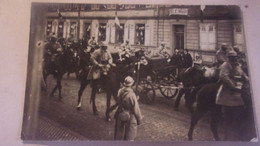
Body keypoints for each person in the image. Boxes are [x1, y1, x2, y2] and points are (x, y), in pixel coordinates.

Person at [216, 50, 248, 140]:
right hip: (227, 91)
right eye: (231, 58)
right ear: (228, 58)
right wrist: (233, 86)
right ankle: (226, 136)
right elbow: (224, 77)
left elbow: (242, 74)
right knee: (227, 116)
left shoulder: (237, 65)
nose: (233, 59)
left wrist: (247, 80)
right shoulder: (225, 65)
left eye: (234, 57)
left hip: (238, 90)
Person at [87, 42, 114, 114]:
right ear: (101, 47)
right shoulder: (97, 51)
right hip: (98, 66)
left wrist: (109, 62)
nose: (105, 48)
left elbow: (110, 58)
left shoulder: (107, 52)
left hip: (106, 66)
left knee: (111, 74)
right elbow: (92, 58)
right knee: (97, 76)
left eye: (106, 47)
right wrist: (98, 64)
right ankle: (97, 86)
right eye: (104, 47)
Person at [114, 76, 142, 140]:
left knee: (119, 132)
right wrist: (139, 119)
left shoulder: (120, 91)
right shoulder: (132, 95)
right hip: (130, 114)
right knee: (130, 134)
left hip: (121, 112)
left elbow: (119, 101)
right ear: (131, 84)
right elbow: (135, 108)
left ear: (124, 83)